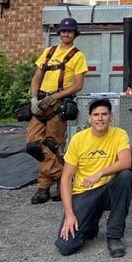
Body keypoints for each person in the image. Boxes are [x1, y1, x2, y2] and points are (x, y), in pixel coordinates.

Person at [56, 98, 132, 258]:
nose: (100, 118)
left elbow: (126, 162)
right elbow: (65, 179)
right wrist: (69, 214)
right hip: (83, 193)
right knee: (66, 247)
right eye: (96, 114)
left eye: (104, 114)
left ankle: (114, 236)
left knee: (126, 177)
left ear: (111, 116)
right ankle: (90, 223)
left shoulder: (119, 134)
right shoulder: (78, 139)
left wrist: (99, 173)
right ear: (89, 118)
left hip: (107, 190)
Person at [27, 17, 87, 205]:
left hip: (58, 104)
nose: (65, 34)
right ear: (59, 33)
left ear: (74, 34)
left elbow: (78, 85)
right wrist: (34, 98)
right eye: (62, 31)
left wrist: (56, 97)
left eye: (69, 31)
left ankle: (43, 188)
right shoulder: (48, 52)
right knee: (33, 145)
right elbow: (36, 77)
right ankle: (66, 180)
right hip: (41, 102)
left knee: (51, 146)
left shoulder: (78, 56)